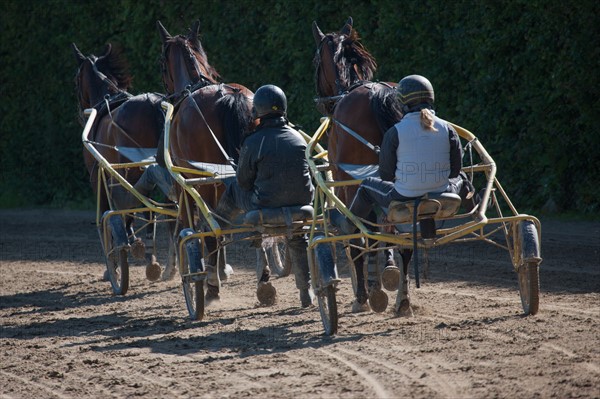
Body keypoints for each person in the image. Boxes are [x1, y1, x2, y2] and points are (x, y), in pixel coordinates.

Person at [332, 74, 474, 234]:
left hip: (403, 196)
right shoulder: (449, 129)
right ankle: (476, 208)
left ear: (401, 103)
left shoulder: (394, 133)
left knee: (366, 185)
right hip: (445, 193)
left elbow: (386, 175)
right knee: (461, 176)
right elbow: (455, 170)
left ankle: (348, 225)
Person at [214, 84, 315, 307]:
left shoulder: (252, 142)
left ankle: (217, 229)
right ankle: (305, 292)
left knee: (232, 190)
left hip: (264, 208)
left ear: (257, 111)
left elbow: (243, 182)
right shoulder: (299, 138)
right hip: (302, 207)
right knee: (298, 237)